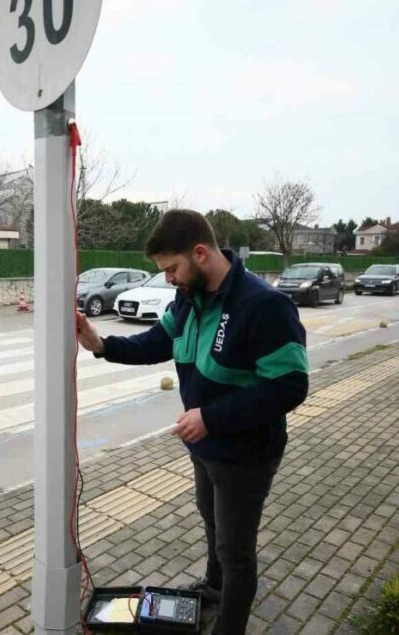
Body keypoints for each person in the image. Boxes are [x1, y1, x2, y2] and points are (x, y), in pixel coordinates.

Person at [75, 210, 309, 635]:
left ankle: (229, 624)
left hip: (246, 454)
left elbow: (290, 387)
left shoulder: (264, 305)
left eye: (172, 268)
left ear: (200, 253)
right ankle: (214, 585)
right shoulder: (189, 298)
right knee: (209, 515)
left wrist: (211, 417)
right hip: (204, 446)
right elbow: (157, 341)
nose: (168, 279)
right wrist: (101, 344)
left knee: (236, 550)